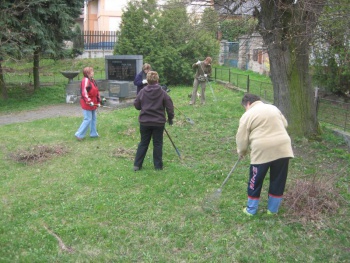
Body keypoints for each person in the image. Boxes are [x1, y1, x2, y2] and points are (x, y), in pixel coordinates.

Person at [236, 93, 294, 216]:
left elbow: (241, 138)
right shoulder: (273, 108)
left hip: (262, 150)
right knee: (278, 180)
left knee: (255, 180)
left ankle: (251, 210)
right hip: (283, 148)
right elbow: (285, 124)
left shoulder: (247, 115)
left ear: (247, 104)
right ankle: (272, 210)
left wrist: (242, 152)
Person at [133, 71, 174, 171]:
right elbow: (170, 106)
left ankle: (137, 165)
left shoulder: (142, 91)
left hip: (145, 122)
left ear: (147, 80)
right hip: (158, 122)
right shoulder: (162, 92)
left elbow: (137, 105)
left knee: (143, 143)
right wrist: (170, 118)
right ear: (157, 80)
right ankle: (158, 166)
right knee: (158, 143)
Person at [75, 67, 101, 140]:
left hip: (93, 102)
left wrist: (98, 100)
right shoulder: (85, 80)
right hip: (87, 102)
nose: (93, 73)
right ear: (87, 73)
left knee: (93, 118)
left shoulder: (92, 80)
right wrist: (89, 101)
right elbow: (84, 92)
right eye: (91, 71)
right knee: (87, 119)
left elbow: (96, 91)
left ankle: (93, 133)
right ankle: (79, 134)